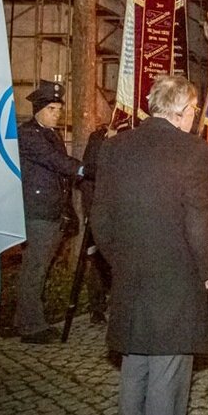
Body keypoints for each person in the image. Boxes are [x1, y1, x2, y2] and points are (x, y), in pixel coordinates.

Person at [91, 75, 208, 415]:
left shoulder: (114, 149)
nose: (194, 118)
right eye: (194, 111)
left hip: (130, 274)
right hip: (176, 274)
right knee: (168, 367)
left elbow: (100, 217)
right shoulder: (194, 151)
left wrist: (120, 261)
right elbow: (197, 219)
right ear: (184, 111)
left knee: (135, 365)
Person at [17, 80, 82, 344]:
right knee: (35, 268)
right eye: (52, 109)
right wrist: (84, 169)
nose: (57, 113)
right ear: (38, 109)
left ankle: (27, 319)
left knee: (40, 268)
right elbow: (56, 163)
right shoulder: (29, 134)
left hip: (52, 210)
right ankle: (30, 327)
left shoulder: (50, 134)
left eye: (58, 109)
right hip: (38, 212)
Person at [78, 124, 114, 324]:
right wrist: (90, 212)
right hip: (100, 211)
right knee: (97, 260)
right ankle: (97, 307)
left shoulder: (135, 135)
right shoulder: (99, 137)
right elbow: (87, 178)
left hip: (125, 213)